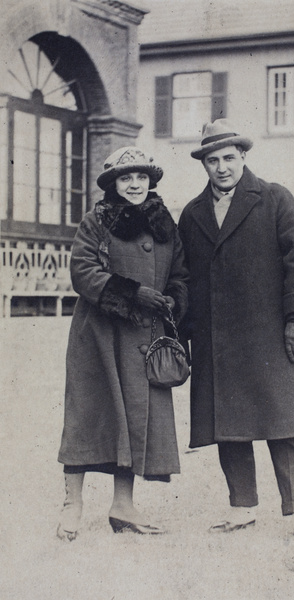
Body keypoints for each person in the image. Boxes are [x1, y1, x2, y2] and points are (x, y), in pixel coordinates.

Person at [178, 119, 294, 544]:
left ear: (243, 157)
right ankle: (242, 508)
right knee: (229, 423)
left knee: (284, 420)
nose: (221, 167)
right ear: (204, 165)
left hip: (269, 334)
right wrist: (186, 336)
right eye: (212, 160)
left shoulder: (275, 199)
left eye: (228, 157)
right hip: (215, 338)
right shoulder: (192, 213)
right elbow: (184, 277)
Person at [57, 146, 188, 541]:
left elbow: (180, 273)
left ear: (151, 181)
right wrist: (130, 294)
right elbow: (82, 271)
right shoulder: (97, 220)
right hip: (98, 335)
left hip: (145, 336)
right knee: (88, 414)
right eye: (127, 177)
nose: (135, 184)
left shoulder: (166, 225)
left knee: (132, 417)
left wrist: (173, 299)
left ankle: (123, 506)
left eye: (142, 177)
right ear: (113, 183)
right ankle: (72, 504)